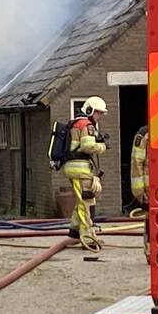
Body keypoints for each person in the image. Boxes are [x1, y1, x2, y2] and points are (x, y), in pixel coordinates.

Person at [64, 96, 109, 246]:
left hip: (74, 167)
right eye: (98, 113)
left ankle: (74, 231)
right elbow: (88, 147)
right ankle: (87, 238)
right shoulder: (86, 125)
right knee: (87, 202)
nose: (100, 116)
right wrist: (102, 146)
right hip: (80, 169)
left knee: (81, 200)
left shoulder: (76, 123)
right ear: (90, 110)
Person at [130, 124, 150, 262]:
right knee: (152, 221)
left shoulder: (145, 133)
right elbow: (137, 162)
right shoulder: (145, 134)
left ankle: (151, 252)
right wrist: (139, 191)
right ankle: (151, 251)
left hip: (154, 188)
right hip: (152, 188)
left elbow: (136, 162)